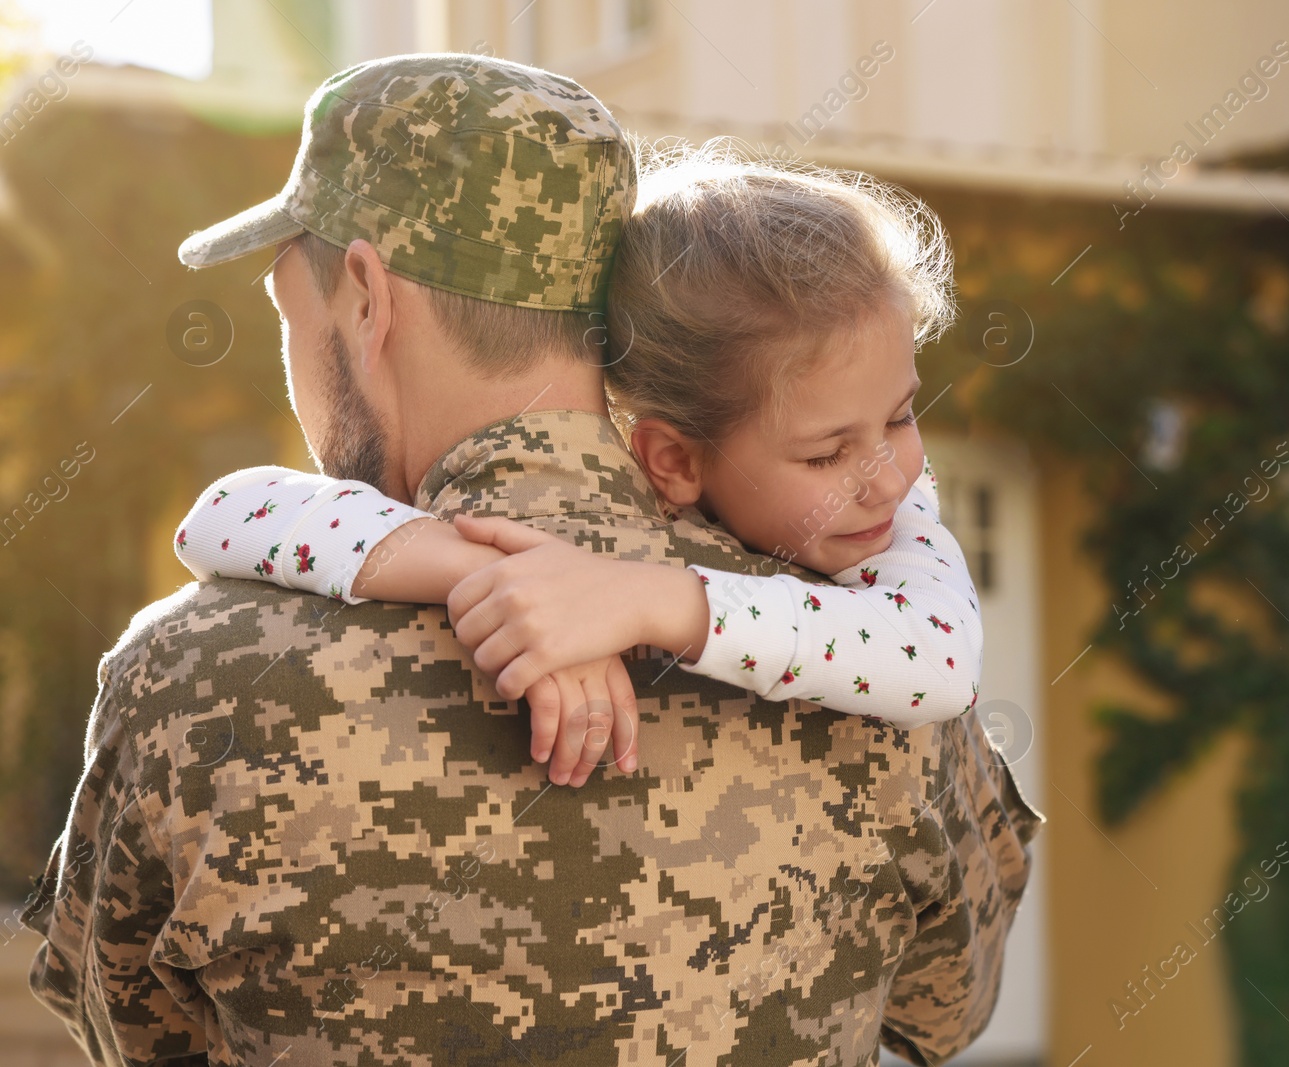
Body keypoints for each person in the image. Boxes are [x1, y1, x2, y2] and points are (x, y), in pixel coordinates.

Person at [23, 54, 1042, 1066]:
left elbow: (133, 1032)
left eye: (291, 314)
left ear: (367, 299)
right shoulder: (863, 654)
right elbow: (943, 1010)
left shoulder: (190, 673)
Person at [169, 148, 985, 790]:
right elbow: (223, 515)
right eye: (826, 454)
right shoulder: (580, 538)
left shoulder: (899, 523)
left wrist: (647, 600)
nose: (891, 475)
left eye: (903, 414)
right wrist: (490, 574)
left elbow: (938, 664)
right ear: (671, 461)